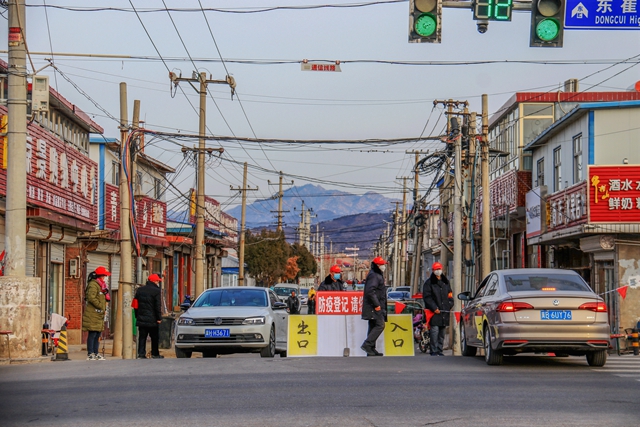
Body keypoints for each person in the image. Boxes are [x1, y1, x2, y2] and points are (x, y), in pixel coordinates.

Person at [422, 262, 454, 356]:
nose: (438, 271)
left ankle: (440, 350)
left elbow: (450, 295)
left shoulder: (445, 282)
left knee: (442, 331)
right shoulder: (429, 283)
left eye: (439, 269)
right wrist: (434, 307)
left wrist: (449, 304)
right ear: (433, 270)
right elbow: (427, 297)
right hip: (434, 312)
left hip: (444, 311)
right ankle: (434, 350)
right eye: (436, 269)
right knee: (434, 331)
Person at [82, 266, 111, 361]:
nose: (105, 277)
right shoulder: (93, 285)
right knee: (93, 333)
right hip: (93, 313)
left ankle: (96, 352)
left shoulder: (102, 285)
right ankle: (90, 353)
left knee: (98, 334)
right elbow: (91, 297)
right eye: (104, 275)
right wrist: (100, 306)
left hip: (99, 314)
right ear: (100, 276)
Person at [360, 257, 387, 356]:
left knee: (372, 326)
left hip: (373, 305)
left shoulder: (375, 274)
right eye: (382, 264)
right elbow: (370, 291)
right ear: (378, 265)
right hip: (374, 306)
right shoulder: (375, 275)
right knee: (380, 325)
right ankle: (367, 344)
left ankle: (371, 349)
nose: (384, 266)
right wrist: (377, 304)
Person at [134, 273, 164, 359]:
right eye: (158, 281)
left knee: (142, 337)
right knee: (154, 337)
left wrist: (137, 315)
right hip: (153, 319)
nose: (158, 282)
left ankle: (141, 354)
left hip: (141, 317)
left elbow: (135, 304)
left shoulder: (139, 290)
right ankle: (155, 353)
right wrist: (159, 318)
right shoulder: (156, 291)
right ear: (154, 281)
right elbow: (157, 306)